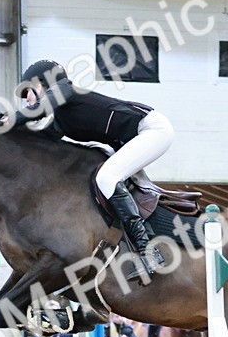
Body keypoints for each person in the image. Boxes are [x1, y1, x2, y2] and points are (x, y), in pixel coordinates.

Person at [15, 60, 173, 275]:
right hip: (134, 137)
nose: (27, 99)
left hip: (152, 129)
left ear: (44, 83)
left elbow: (36, 111)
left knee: (107, 177)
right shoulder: (63, 118)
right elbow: (37, 139)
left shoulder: (65, 89)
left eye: (28, 92)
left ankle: (148, 253)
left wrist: (6, 121)